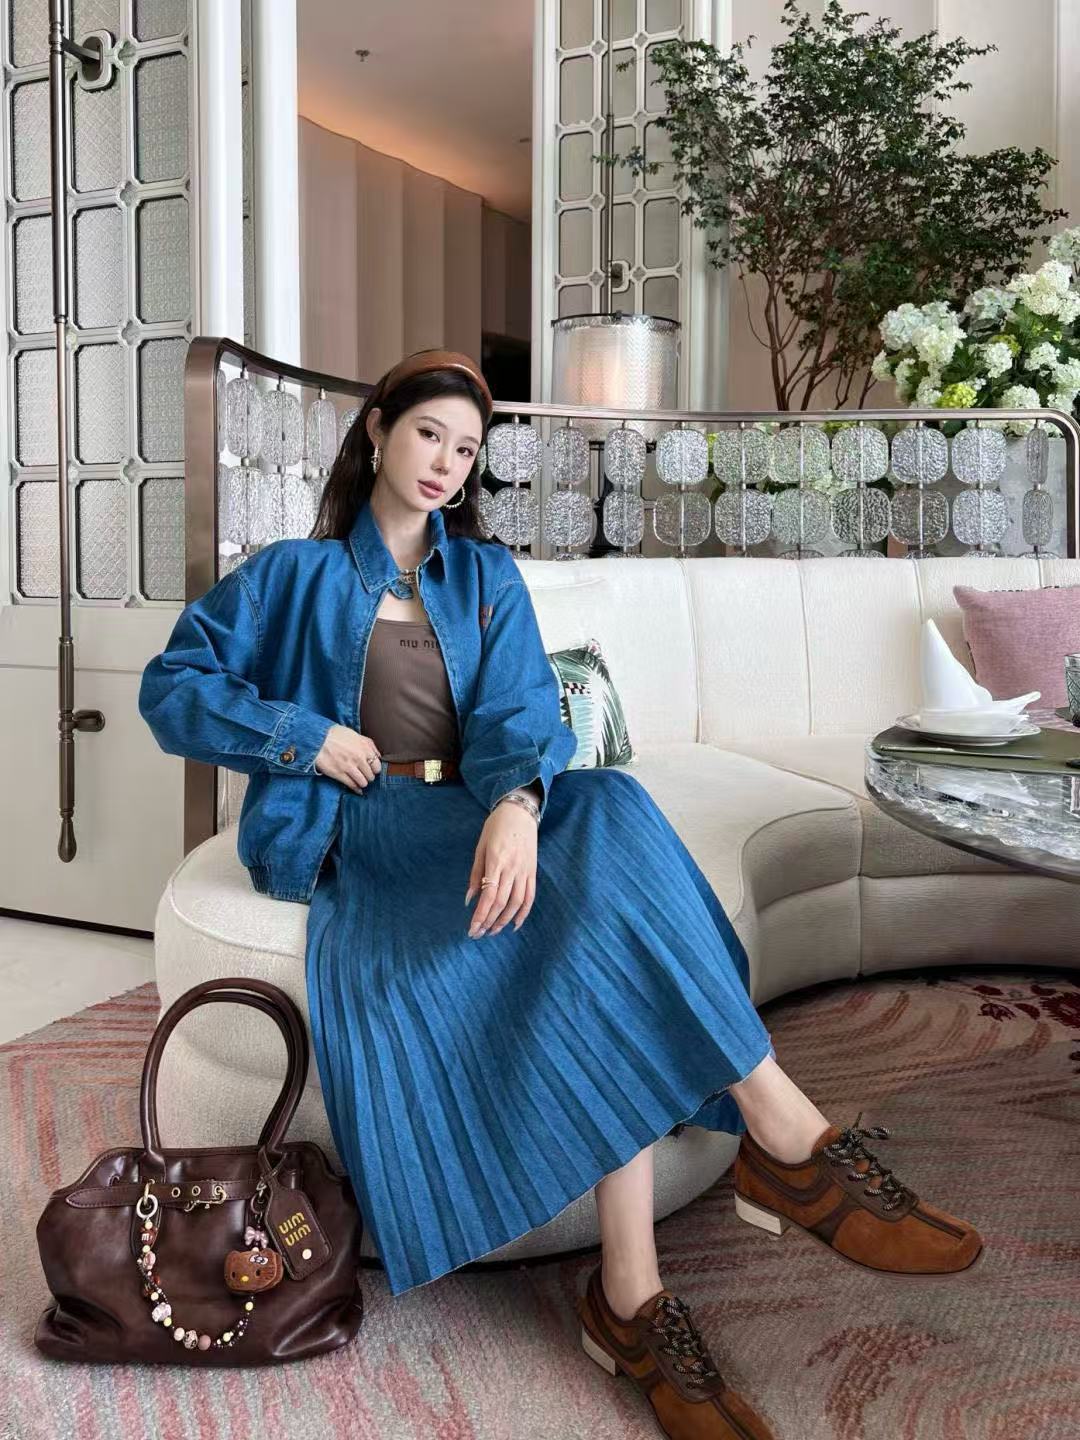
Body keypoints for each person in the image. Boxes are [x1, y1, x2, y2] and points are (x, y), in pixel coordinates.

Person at [139, 349, 982, 1440]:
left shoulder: (483, 576)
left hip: (476, 808)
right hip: (371, 832)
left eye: (466, 450)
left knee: (614, 812)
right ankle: (761, 1180)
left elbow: (524, 714)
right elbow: (173, 689)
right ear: (378, 431)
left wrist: (517, 805)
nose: (446, 463)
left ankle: (659, 1262)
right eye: (429, 435)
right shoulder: (290, 575)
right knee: (599, 911)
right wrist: (305, 737)